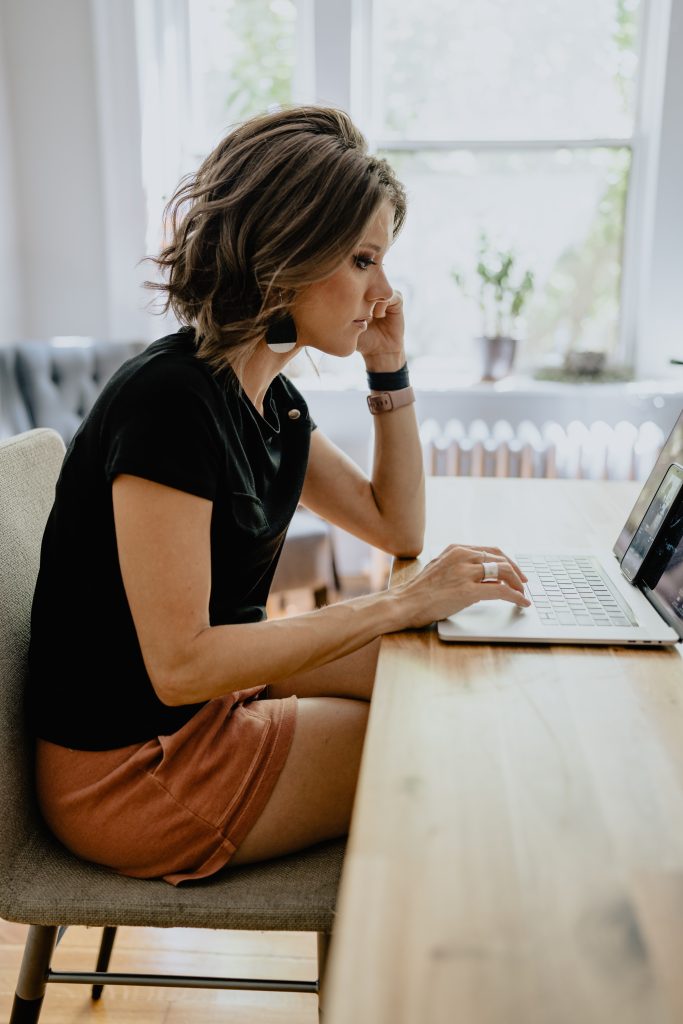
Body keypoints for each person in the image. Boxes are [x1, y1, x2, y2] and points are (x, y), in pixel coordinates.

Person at [28, 106, 529, 884]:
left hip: (210, 709)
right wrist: (394, 604)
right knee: (437, 733)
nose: (384, 291)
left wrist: (387, 368)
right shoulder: (168, 403)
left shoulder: (272, 404)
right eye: (364, 260)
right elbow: (181, 665)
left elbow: (395, 525)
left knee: (446, 674)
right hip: (135, 771)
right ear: (286, 251)